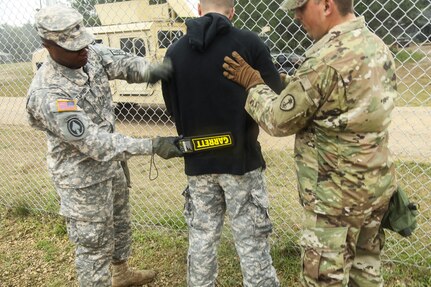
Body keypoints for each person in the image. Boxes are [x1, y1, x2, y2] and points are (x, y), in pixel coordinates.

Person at [222, 0, 398, 286]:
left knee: (324, 280)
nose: (296, 16)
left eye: (301, 8)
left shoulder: (325, 58)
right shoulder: (376, 45)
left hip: (336, 200)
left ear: (326, 5)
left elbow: (278, 121)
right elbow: (338, 97)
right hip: (374, 188)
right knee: (365, 274)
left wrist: (253, 84)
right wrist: (289, 83)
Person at [26, 5, 183, 287]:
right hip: (81, 179)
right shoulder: (47, 93)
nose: (83, 50)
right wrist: (152, 145)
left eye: (84, 42)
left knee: (119, 225)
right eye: (73, 47)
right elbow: (95, 142)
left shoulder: (89, 54)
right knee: (93, 245)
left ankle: (120, 274)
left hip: (111, 167)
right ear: (47, 45)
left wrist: (153, 70)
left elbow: (121, 62)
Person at [161, 0, 283, 285]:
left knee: (202, 237)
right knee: (251, 241)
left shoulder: (174, 53)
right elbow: (274, 96)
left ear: (200, 9)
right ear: (232, 11)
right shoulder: (249, 43)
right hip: (241, 160)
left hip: (197, 160)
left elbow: (172, 105)